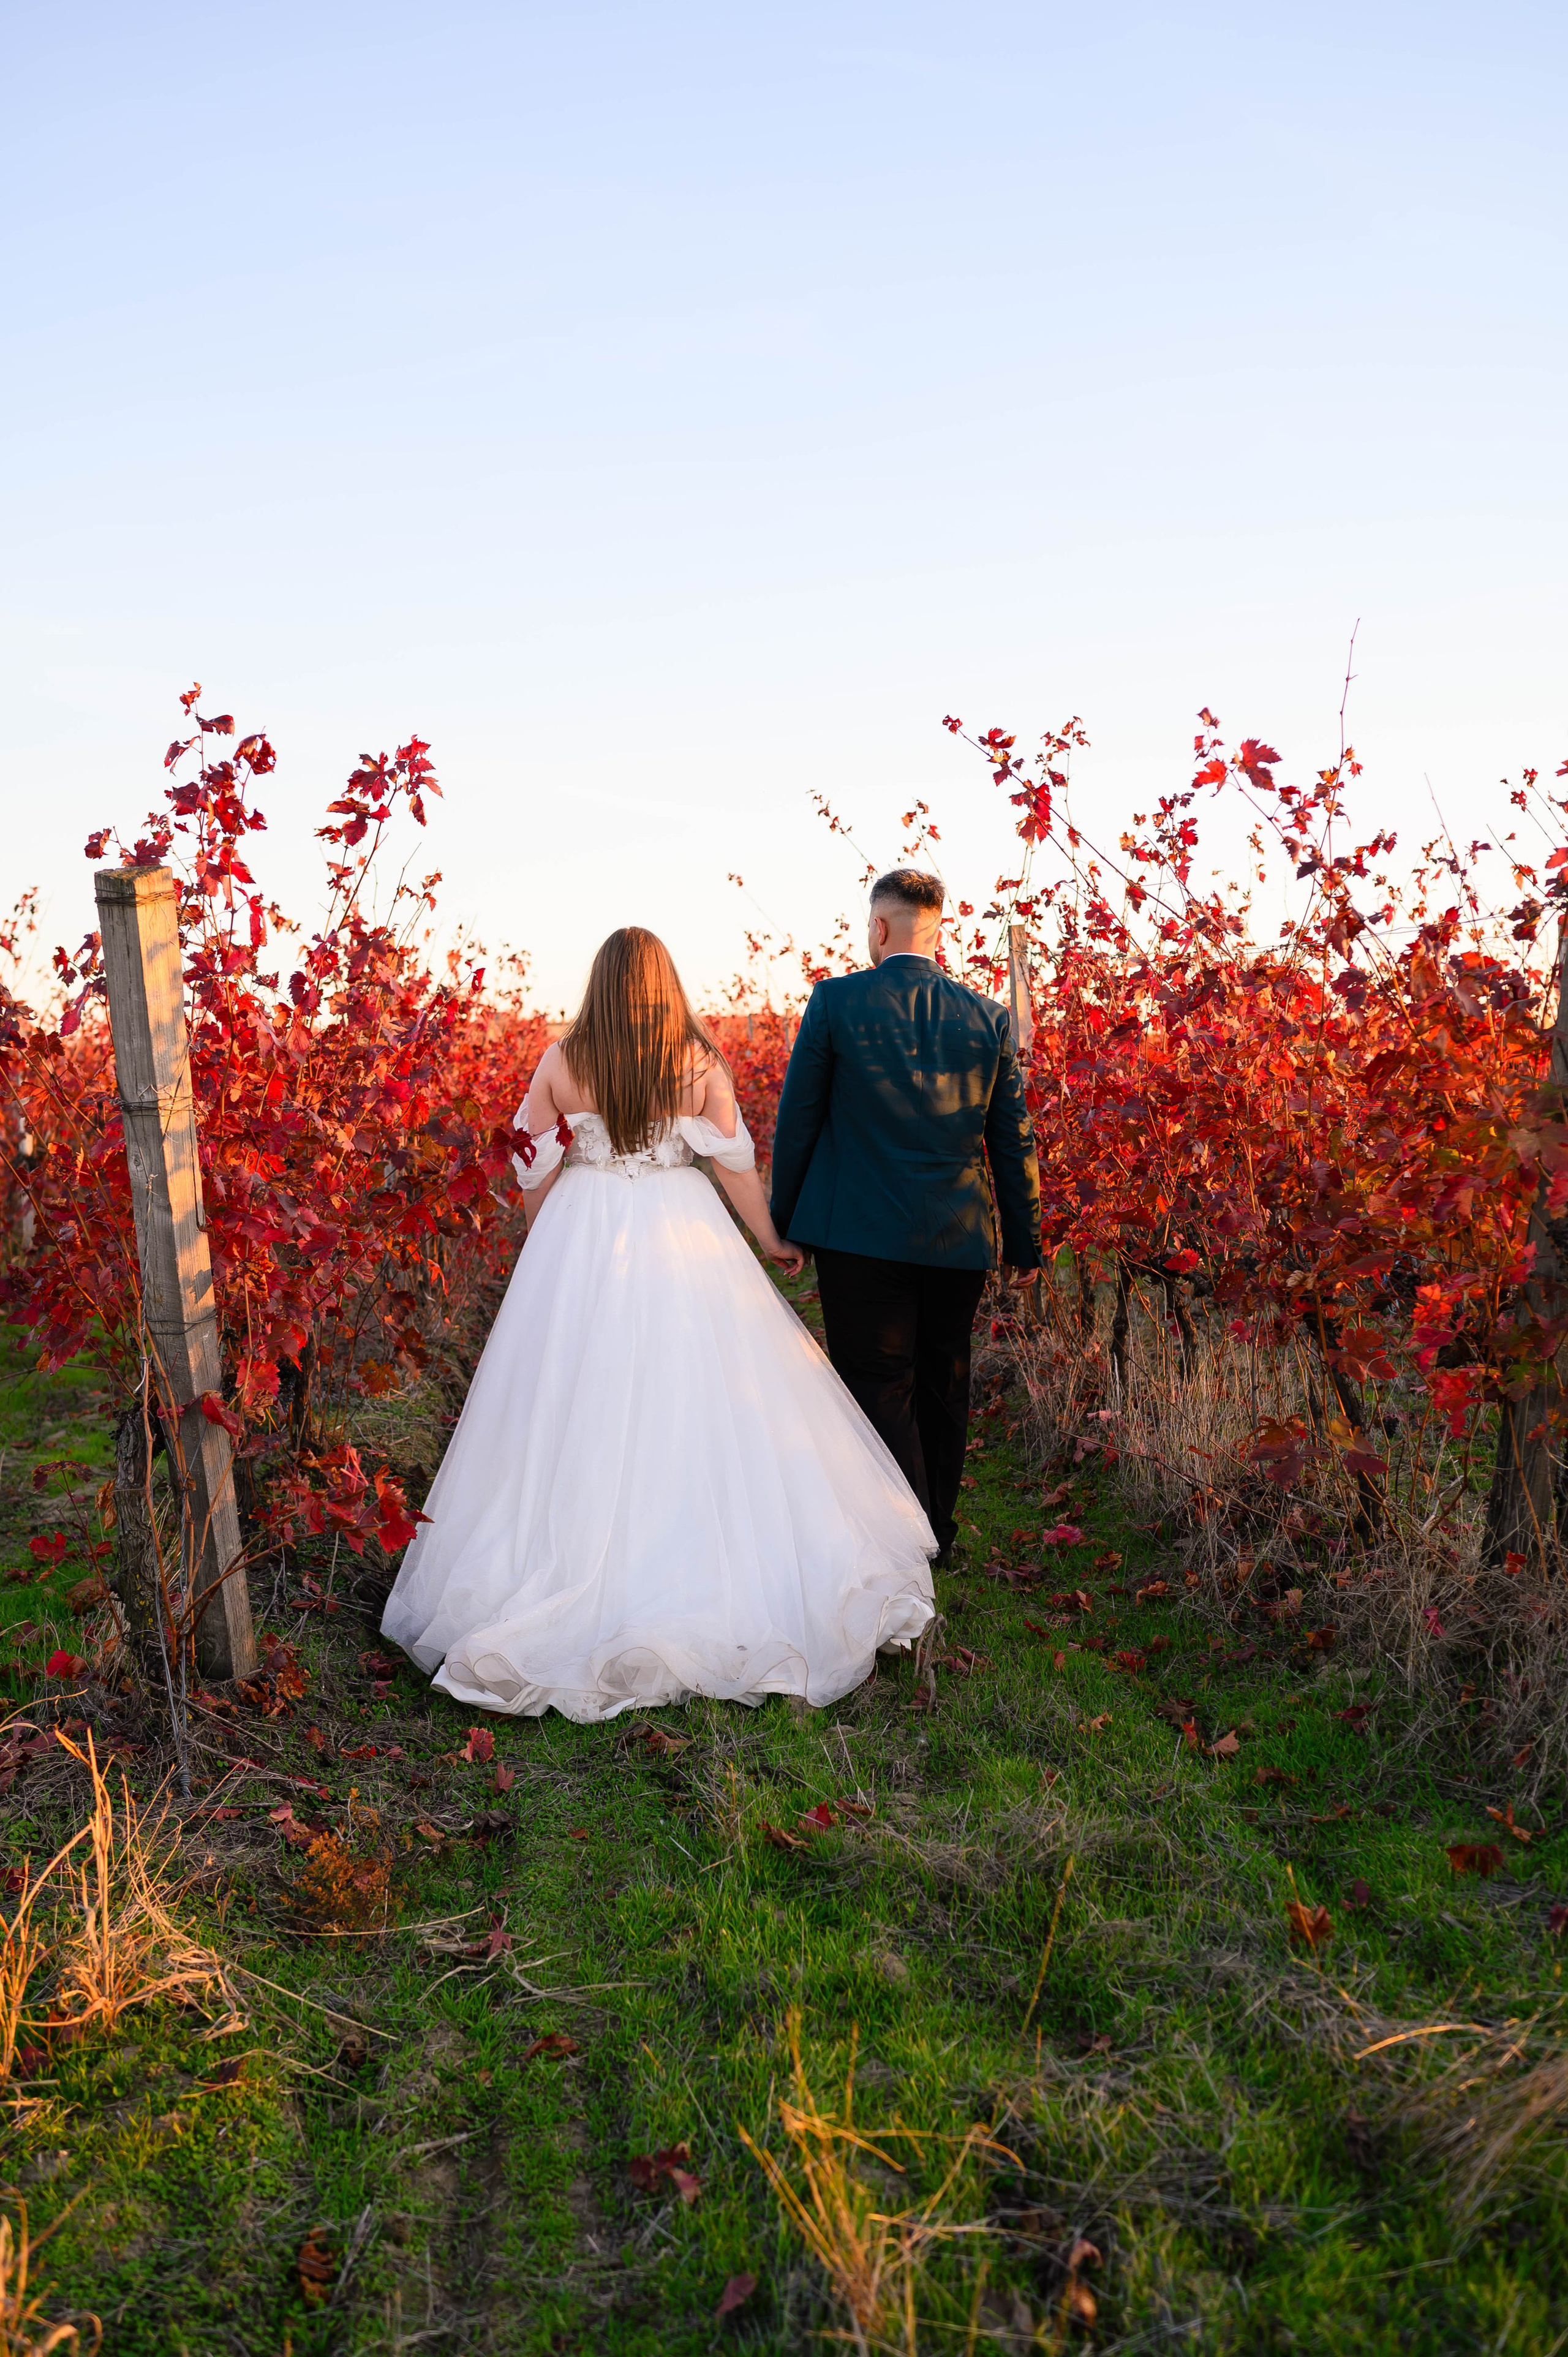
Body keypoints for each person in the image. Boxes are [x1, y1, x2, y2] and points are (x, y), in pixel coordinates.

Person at [381, 926, 937, 1721]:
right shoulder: (697, 1061)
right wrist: (773, 1240)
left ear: (601, 982)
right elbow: (734, 1164)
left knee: (574, 1396)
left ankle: (563, 1567)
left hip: (586, 1224)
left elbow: (531, 1164)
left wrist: (545, 1244)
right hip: (683, 1227)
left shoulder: (564, 1059)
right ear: (665, 984)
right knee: (702, 1389)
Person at [769, 869, 1042, 1566]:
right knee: (945, 1380)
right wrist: (1024, 1240)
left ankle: (897, 1535)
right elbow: (1011, 1136)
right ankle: (936, 1532)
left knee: (876, 1380)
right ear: (938, 927)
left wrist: (784, 1222)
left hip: (859, 1236)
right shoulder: (988, 1016)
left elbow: (798, 1120)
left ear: (880, 927)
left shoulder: (834, 1002)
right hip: (957, 1237)